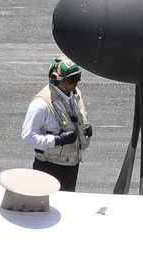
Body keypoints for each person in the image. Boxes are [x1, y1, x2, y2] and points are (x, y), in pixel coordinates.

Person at [21, 55, 93, 192]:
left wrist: (85, 128)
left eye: (78, 77)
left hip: (72, 164)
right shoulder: (41, 104)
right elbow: (28, 136)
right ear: (57, 80)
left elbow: (77, 117)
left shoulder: (75, 94)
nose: (76, 83)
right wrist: (57, 141)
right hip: (49, 166)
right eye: (72, 79)